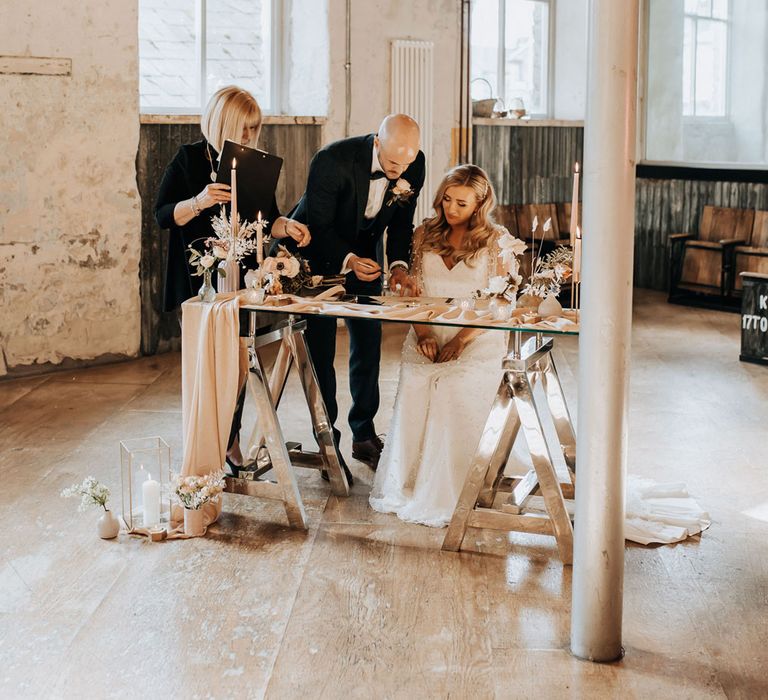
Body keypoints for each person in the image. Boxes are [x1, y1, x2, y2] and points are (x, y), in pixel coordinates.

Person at [154, 85, 310, 469]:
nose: (247, 136)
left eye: (253, 128)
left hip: (240, 279)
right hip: (199, 277)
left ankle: (231, 440)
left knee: (240, 364)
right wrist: (200, 201)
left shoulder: (252, 165)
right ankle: (206, 442)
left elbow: (266, 221)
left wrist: (287, 226)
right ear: (222, 121)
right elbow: (162, 216)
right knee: (208, 365)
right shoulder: (188, 159)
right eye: (242, 127)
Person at [369, 164, 514, 527]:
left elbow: (501, 301)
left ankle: (454, 486)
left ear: (480, 205)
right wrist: (423, 333)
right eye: (447, 199)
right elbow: (411, 293)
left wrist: (462, 340)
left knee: (450, 385)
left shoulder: (496, 241)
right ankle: (407, 481)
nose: (451, 209)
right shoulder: (423, 234)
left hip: (477, 335)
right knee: (419, 379)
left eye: (461, 204)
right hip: (428, 328)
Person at [289, 114, 425, 482]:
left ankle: (363, 433)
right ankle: (326, 442)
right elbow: (317, 225)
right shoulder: (331, 160)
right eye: (393, 163)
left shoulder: (415, 163)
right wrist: (347, 260)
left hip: (367, 257)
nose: (399, 172)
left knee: (368, 342)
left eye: (407, 163)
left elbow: (401, 222)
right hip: (317, 255)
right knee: (320, 350)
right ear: (377, 143)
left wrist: (397, 265)